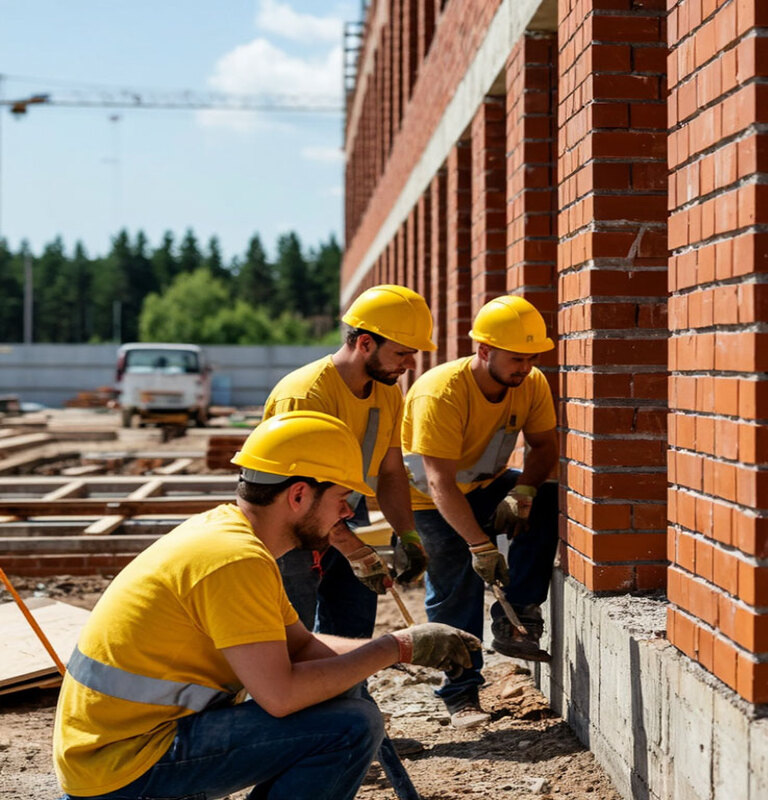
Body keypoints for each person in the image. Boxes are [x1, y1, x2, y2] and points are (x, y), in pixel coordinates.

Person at [52, 410, 480, 800]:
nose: (346, 514)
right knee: (350, 727)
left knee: (343, 694)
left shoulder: (232, 537)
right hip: (122, 768)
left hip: (121, 750)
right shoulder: (234, 560)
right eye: (341, 499)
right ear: (298, 495)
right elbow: (281, 696)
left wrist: (407, 643)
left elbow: (302, 649)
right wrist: (392, 649)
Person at [401, 295, 559, 729]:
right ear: (484, 351)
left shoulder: (531, 384)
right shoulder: (441, 392)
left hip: (487, 485)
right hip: (431, 499)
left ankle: (518, 618)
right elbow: (439, 483)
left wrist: (524, 490)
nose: (524, 368)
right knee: (457, 583)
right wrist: (481, 546)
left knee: (548, 498)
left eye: (530, 358)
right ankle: (461, 694)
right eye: (515, 359)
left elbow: (545, 447)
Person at [264, 284, 435, 640]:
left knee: (353, 630)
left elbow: (390, 471)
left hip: (344, 511)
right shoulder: (306, 395)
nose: (411, 364)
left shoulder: (388, 392)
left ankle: (347, 695)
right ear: (365, 343)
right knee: (290, 639)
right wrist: (355, 549)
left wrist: (407, 534)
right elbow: (299, 497)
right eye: (403, 353)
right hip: (289, 526)